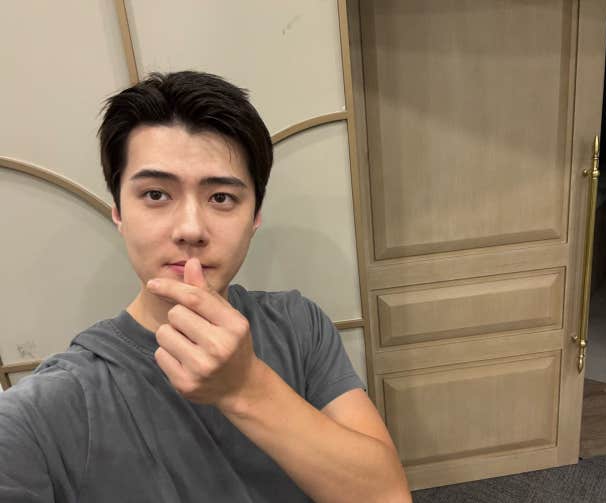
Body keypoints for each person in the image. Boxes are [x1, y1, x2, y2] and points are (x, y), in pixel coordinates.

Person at [0, 71, 411, 502]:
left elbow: (386, 495)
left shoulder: (296, 324)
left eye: (221, 198)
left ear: (255, 216)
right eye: (156, 194)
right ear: (118, 211)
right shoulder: (57, 401)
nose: (191, 229)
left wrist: (245, 387)